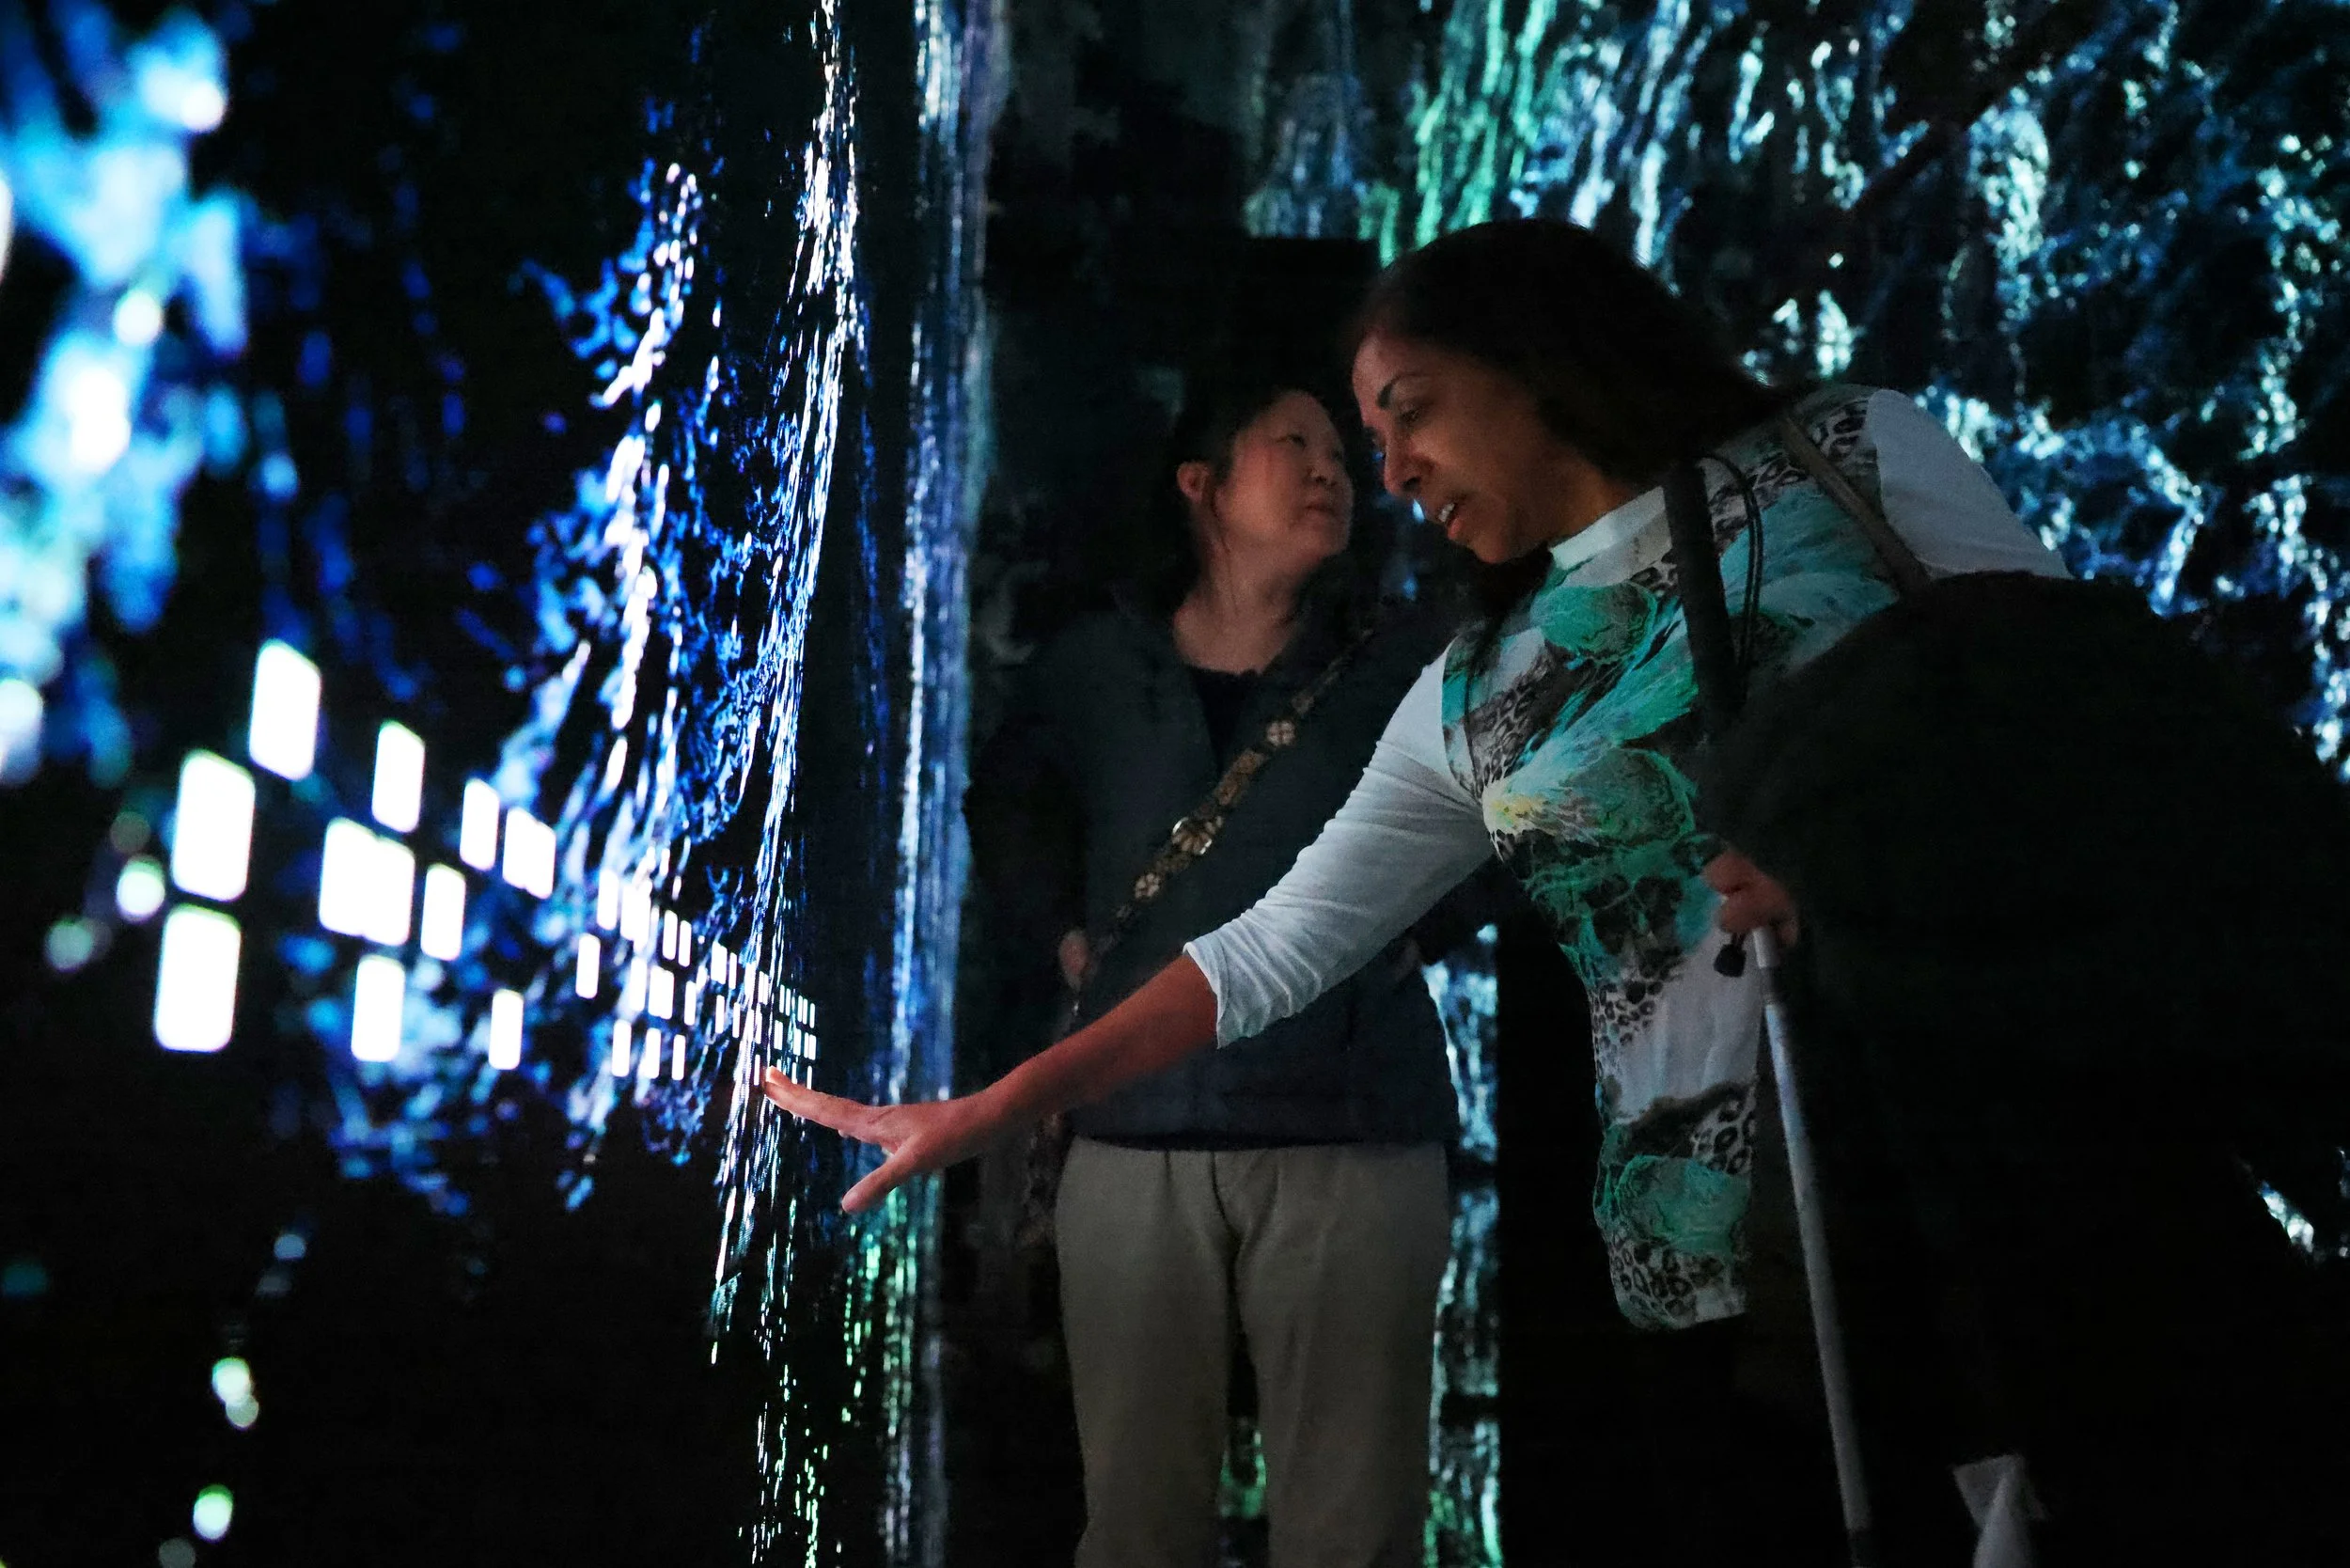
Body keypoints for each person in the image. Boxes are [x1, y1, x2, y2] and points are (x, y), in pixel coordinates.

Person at [763, 220, 2073, 1554]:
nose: (1386, 474)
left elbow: (2070, 698)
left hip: (1985, 1149)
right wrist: (1006, 1101)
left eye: (1403, 417)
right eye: (1351, 442)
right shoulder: (1475, 681)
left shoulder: (1843, 453)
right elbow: (1275, 945)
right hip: (1705, 1249)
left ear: (1531, 359)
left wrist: (1874, 836)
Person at [963, 376, 1462, 1568]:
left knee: (1356, 1526)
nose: (1332, 470)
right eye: (1293, 445)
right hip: (1133, 1130)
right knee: (1135, 1523)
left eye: (1345, 452)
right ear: (1200, 485)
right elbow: (1008, 804)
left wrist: (1412, 933)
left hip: (1352, 1124)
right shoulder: (1092, 668)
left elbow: (1511, 812)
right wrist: (1067, 935)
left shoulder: (1401, 662)